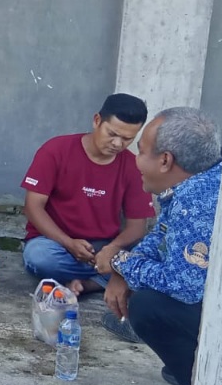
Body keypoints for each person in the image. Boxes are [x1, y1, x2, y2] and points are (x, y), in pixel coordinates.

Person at [102, 108, 222, 385]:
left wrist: (119, 262)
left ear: (166, 161)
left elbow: (181, 285)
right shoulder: (203, 179)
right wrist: (123, 264)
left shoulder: (198, 200)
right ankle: (198, 364)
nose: (134, 159)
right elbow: (163, 233)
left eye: (140, 151)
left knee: (149, 307)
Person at [21, 94, 152, 295]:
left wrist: (112, 249)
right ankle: (103, 279)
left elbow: (137, 227)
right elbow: (32, 206)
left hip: (103, 246)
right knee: (39, 257)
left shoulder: (133, 167)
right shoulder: (56, 150)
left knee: (149, 258)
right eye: (112, 134)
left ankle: (84, 284)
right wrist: (68, 243)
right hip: (55, 243)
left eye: (128, 139)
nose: (117, 144)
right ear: (97, 120)